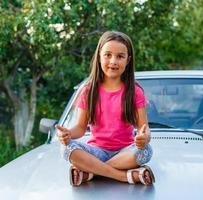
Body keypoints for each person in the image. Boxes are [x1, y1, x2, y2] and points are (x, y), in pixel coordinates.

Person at [55, 31, 155, 186]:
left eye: (120, 56)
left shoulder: (135, 91)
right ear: (99, 56)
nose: (113, 61)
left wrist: (144, 138)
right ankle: (123, 176)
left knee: (145, 151)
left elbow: (144, 129)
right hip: (96, 152)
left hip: (125, 152)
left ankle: (91, 171)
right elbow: (80, 129)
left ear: (128, 60)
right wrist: (68, 134)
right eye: (108, 55)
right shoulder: (88, 91)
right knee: (66, 149)